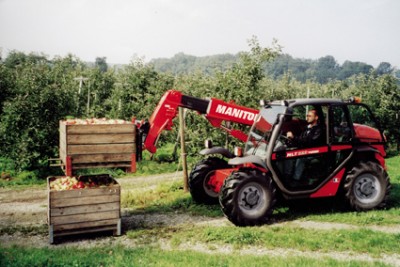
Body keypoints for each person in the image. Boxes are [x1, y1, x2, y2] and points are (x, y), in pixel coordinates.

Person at [286, 109, 325, 181]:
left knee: (301, 158)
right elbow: (301, 140)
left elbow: (310, 142)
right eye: (307, 116)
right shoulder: (306, 128)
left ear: (316, 117)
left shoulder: (319, 129)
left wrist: (294, 137)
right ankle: (287, 175)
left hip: (314, 152)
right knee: (288, 153)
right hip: (304, 150)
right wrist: (290, 141)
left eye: (310, 116)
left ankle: (295, 179)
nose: (307, 118)